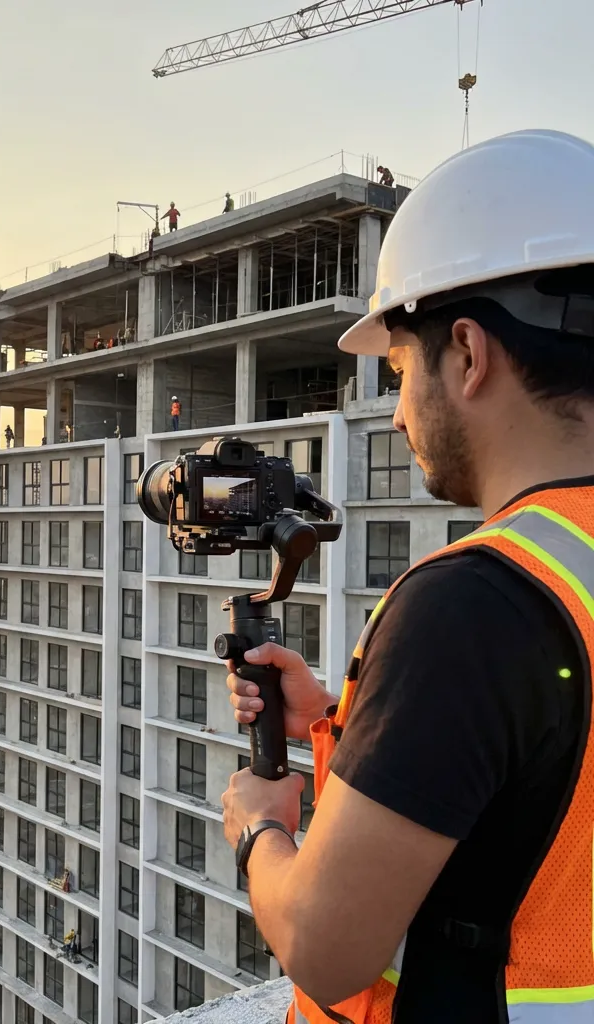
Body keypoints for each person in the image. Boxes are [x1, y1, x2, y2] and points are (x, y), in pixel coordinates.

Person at [220, 129, 594, 1023]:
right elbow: (547, 782)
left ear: (466, 353)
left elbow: (325, 944)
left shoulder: (475, 604)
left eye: (398, 370)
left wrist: (258, 825)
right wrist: (352, 730)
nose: (394, 414)